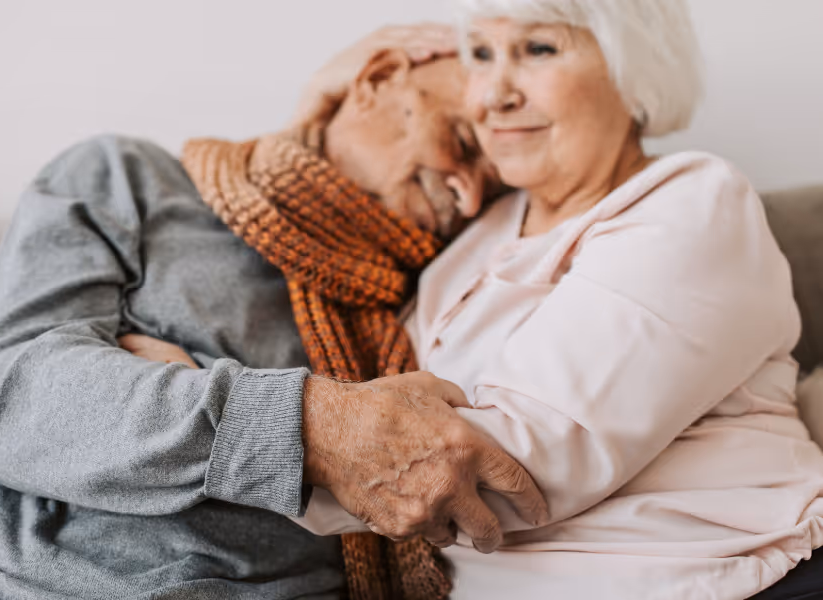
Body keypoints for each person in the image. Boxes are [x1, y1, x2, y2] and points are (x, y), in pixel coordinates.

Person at [0, 30, 547, 600]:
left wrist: (160, 390)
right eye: (462, 144)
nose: (466, 195)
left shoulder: (437, 301)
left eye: (490, 193)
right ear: (380, 79)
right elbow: (6, 397)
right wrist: (314, 427)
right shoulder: (130, 178)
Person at [277, 1, 823, 598]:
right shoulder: (476, 231)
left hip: (715, 576)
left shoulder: (693, 204)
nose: (494, 95)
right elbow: (295, 218)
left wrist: (257, 442)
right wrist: (315, 102)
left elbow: (512, 467)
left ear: (633, 71)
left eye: (538, 50)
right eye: (481, 55)